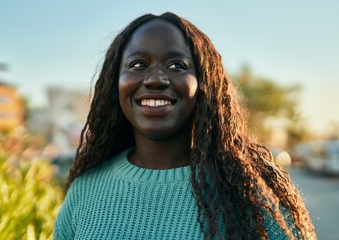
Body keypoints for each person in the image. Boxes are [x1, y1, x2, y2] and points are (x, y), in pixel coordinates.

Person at [54, 12, 316, 239]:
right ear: (115, 83)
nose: (155, 79)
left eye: (177, 65)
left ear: (204, 85)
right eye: (138, 64)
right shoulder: (84, 192)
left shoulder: (250, 196)